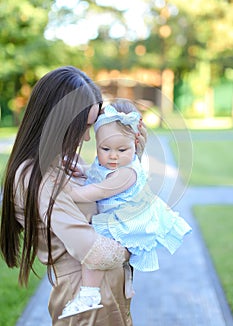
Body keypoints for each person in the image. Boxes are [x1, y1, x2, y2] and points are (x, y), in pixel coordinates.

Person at [0, 66, 146, 326]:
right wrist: (137, 244)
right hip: (87, 300)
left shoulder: (65, 160)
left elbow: (110, 198)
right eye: (84, 126)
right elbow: (94, 252)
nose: (88, 137)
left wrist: (132, 159)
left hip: (109, 293)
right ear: (61, 122)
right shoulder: (37, 176)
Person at [58, 100, 192, 319]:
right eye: (105, 149)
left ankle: (89, 293)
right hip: (120, 215)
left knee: (93, 248)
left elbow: (93, 191)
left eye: (122, 150)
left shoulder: (126, 174)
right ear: (98, 143)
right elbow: (94, 172)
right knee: (123, 256)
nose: (113, 156)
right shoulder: (109, 163)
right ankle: (127, 281)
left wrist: (63, 190)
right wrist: (78, 168)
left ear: (134, 145)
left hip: (128, 219)